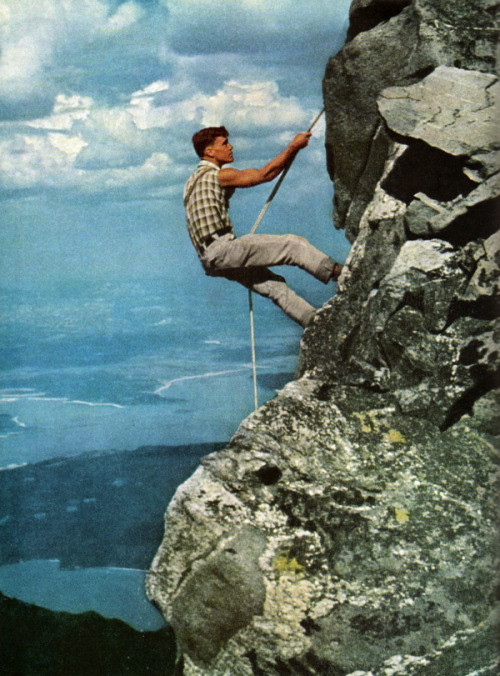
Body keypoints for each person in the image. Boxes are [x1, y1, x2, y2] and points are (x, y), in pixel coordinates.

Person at [183, 126, 343, 328]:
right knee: (293, 245)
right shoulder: (218, 175)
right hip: (223, 249)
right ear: (209, 151)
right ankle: (342, 275)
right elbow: (266, 174)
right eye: (224, 144)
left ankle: (316, 323)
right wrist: (294, 146)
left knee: (274, 287)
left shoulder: (192, 182)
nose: (231, 147)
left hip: (210, 259)